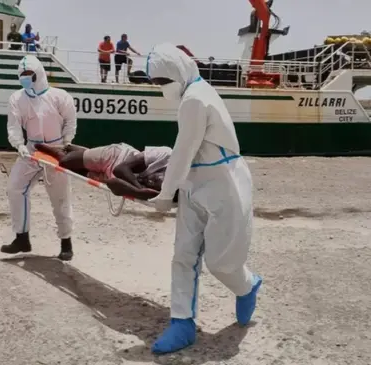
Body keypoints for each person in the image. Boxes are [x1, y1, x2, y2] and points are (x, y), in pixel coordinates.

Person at [145, 43, 262, 354]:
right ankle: (182, 322)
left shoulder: (196, 99)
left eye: (162, 82)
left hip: (223, 183)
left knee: (222, 262)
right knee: (183, 255)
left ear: (179, 72)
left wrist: (164, 194)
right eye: (155, 83)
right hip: (195, 182)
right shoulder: (191, 92)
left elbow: (183, 150)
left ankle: (247, 285)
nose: (160, 89)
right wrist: (175, 188)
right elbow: (186, 155)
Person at [3, 55, 77, 261]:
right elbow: (13, 125)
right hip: (31, 150)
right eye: (22, 75)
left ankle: (66, 242)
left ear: (39, 74)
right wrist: (18, 145)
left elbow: (71, 121)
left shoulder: (60, 97)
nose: (26, 78)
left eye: (30, 74)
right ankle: (22, 238)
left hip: (56, 149)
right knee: (15, 189)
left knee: (60, 197)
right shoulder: (16, 99)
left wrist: (66, 143)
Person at [35, 143, 175, 201]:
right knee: (66, 162)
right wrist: (140, 188)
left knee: (78, 171)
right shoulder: (166, 154)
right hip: (117, 155)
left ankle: (78, 151)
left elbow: (112, 182)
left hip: (116, 176)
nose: (151, 182)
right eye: (155, 180)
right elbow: (121, 168)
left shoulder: (175, 190)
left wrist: (138, 194)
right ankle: (61, 151)